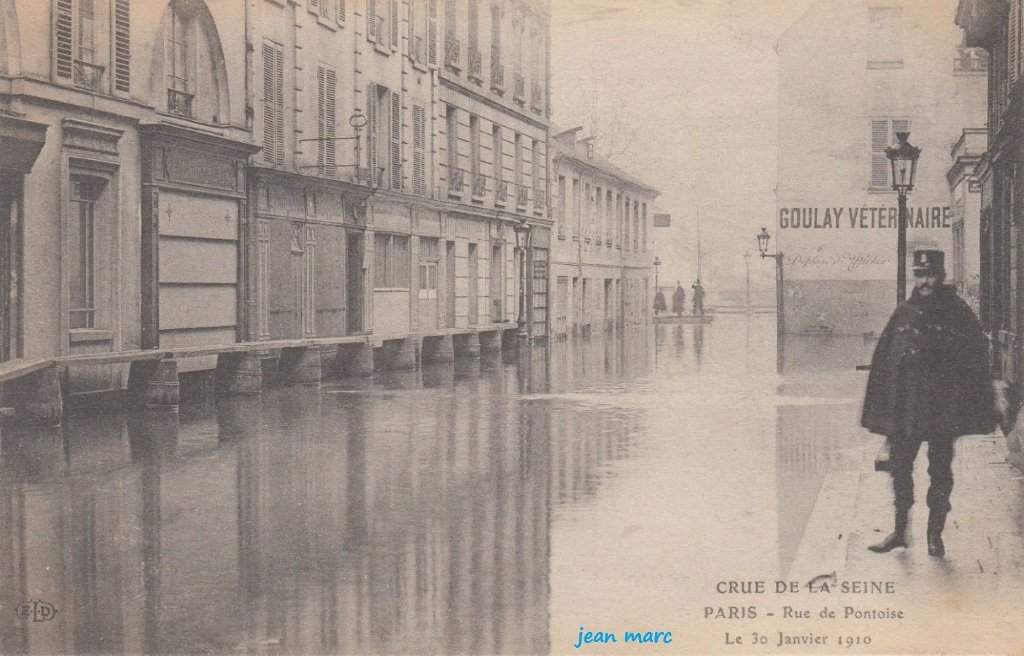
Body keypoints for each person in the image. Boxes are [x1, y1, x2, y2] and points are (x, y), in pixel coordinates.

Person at [861, 250, 996, 557]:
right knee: (900, 467)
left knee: (940, 470)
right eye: (919, 274)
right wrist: (887, 410)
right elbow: (886, 361)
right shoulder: (904, 312)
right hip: (908, 411)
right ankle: (899, 532)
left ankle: (935, 534)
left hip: (942, 410)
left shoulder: (958, 312)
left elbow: (975, 360)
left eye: (930, 274)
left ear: (942, 275)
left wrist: (971, 403)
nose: (924, 281)